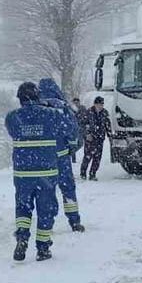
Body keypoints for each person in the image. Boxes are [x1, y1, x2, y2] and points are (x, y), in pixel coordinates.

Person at [5, 82, 74, 261]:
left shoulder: (12, 117)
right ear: (38, 96)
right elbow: (70, 131)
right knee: (46, 209)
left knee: (23, 207)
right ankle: (43, 248)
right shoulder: (51, 115)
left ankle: (21, 238)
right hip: (46, 172)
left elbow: (13, 132)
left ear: (20, 98)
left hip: (22, 173)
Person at [37, 78, 85, 232]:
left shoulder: (37, 108)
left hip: (43, 158)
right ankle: (74, 220)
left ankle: (46, 222)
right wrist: (72, 148)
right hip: (61, 155)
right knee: (67, 188)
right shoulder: (63, 107)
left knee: (45, 190)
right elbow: (73, 131)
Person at [80, 96, 112, 181]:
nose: (100, 106)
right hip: (90, 139)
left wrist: (110, 135)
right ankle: (83, 173)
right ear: (95, 104)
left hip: (100, 138)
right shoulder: (88, 112)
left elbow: (108, 125)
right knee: (87, 156)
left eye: (102, 104)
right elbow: (83, 125)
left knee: (97, 158)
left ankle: (92, 174)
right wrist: (87, 134)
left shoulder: (105, 113)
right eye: (98, 104)